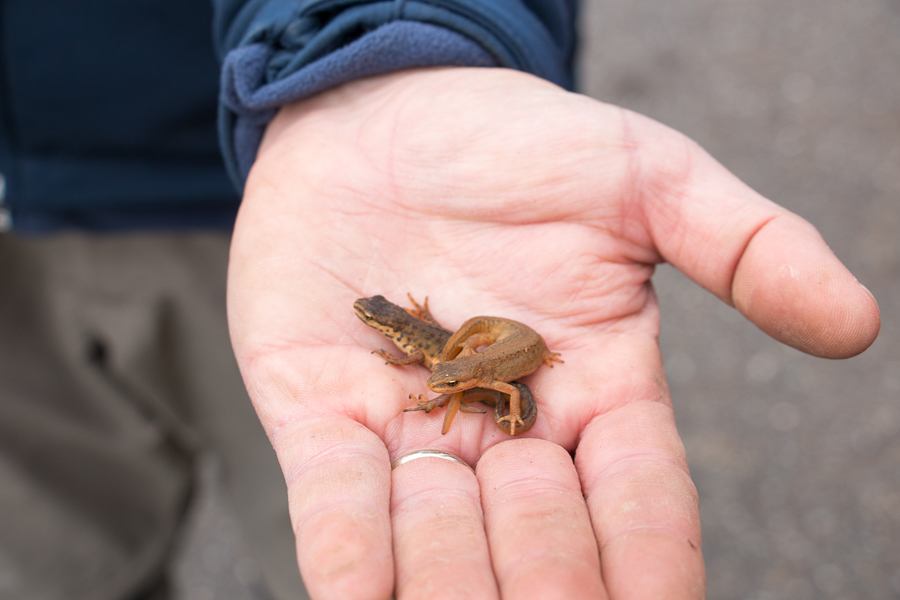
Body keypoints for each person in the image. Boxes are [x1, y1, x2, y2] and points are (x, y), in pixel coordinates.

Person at [0, 2, 880, 599]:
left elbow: (441, 356)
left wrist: (387, 40)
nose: (378, 327)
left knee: (355, 540)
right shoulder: (427, 343)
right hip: (32, 217)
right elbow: (424, 343)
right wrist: (432, 355)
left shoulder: (456, 360)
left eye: (380, 319)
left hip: (246, 169)